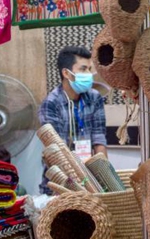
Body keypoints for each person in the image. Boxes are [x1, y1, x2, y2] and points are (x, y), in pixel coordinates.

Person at [38, 46, 107, 193]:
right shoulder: (51, 103)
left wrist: (105, 179)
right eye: (83, 69)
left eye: (89, 69)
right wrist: (77, 186)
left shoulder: (95, 98)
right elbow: (56, 152)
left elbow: (99, 141)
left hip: (90, 180)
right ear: (66, 73)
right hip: (61, 183)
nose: (89, 74)